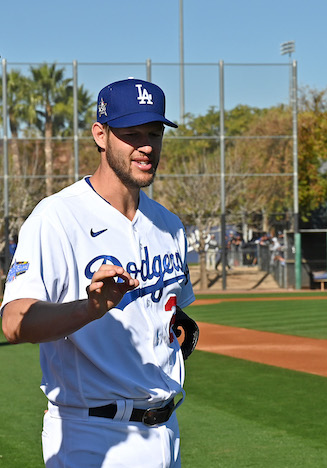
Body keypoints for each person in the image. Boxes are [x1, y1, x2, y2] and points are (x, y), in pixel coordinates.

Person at [1, 78, 199, 467]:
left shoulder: (169, 225)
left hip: (166, 429)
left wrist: (177, 324)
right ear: (101, 135)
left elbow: (171, 310)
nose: (146, 146)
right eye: (131, 133)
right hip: (92, 435)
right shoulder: (58, 217)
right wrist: (89, 309)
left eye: (154, 133)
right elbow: (13, 322)